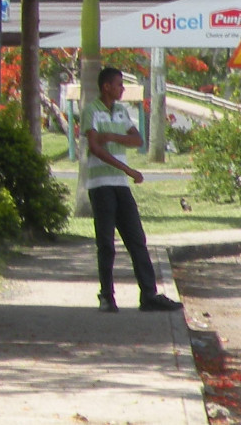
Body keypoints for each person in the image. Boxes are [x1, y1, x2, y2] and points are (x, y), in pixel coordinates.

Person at [84, 66, 181, 313]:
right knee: (106, 242)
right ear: (106, 86)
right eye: (118, 84)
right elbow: (95, 147)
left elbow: (138, 139)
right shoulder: (91, 111)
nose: (122, 89)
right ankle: (106, 296)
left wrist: (112, 137)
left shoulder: (121, 111)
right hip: (101, 184)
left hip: (120, 185)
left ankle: (148, 295)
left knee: (137, 239)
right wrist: (128, 169)